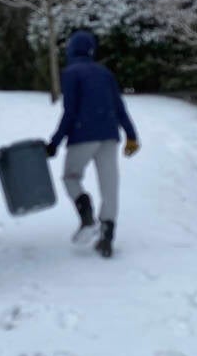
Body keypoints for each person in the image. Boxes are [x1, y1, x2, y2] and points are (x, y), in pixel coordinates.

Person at [45, 29, 139, 258]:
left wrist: (55, 143)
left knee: (71, 176)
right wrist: (131, 135)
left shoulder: (71, 73)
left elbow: (70, 112)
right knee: (109, 185)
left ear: (71, 50)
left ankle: (86, 217)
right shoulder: (105, 73)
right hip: (109, 135)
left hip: (83, 134)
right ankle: (107, 235)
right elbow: (119, 106)